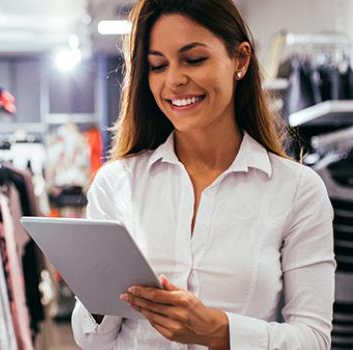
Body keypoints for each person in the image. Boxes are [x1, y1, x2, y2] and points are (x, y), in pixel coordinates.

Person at [71, 0, 336, 349]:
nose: (174, 80)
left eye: (194, 60)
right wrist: (102, 293)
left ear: (240, 60)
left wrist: (220, 331)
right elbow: (91, 340)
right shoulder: (116, 183)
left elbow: (314, 339)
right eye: (157, 65)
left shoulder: (297, 190)